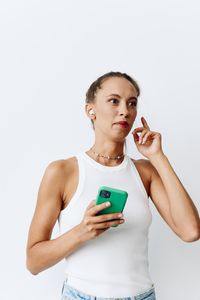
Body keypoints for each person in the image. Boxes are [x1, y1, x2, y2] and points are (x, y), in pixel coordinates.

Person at [26, 71, 200, 300]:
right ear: (91, 110)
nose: (125, 111)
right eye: (114, 100)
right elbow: (33, 262)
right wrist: (81, 232)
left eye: (132, 103)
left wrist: (157, 157)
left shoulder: (145, 171)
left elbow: (190, 231)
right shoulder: (62, 172)